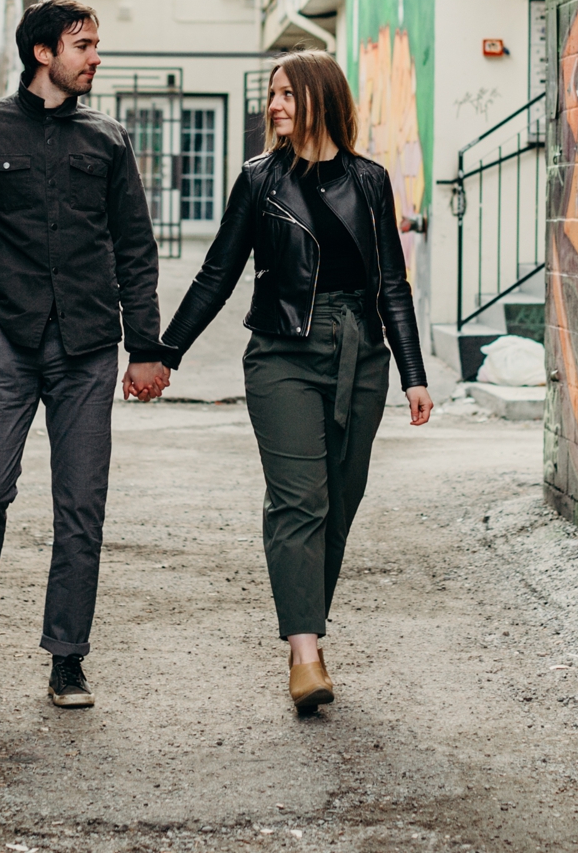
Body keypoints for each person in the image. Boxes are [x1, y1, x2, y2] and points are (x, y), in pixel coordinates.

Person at [137, 50, 434, 715]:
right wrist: (166, 353)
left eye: (288, 96)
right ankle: (306, 652)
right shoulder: (258, 180)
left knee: (341, 502)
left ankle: (306, 625)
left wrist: (413, 374)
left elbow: (391, 284)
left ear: (321, 100)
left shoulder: (371, 181)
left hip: (360, 353)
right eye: (272, 95)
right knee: (300, 500)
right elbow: (217, 274)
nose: (275, 106)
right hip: (282, 352)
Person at [0, 0, 171, 708]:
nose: (95, 57)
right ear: (42, 53)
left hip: (88, 347)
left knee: (80, 507)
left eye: (96, 45)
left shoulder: (109, 140)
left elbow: (135, 251)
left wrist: (146, 347)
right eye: (83, 44)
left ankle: (68, 654)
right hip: (9, 341)